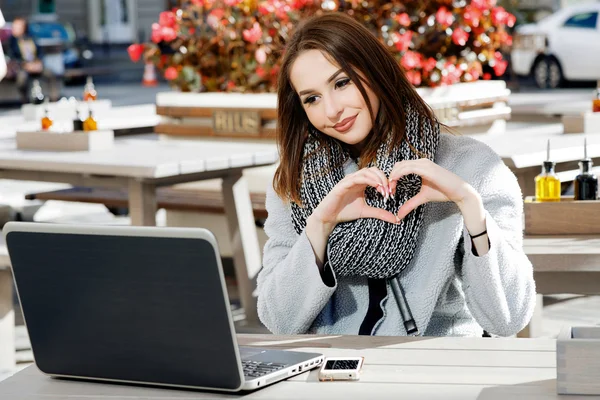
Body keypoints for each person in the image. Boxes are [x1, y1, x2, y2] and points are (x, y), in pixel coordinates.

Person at [256, 13, 536, 337]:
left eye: (342, 82)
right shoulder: (295, 182)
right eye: (312, 98)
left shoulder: (468, 165)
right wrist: (319, 226)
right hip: (330, 368)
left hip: (431, 371)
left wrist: (469, 204)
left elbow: (509, 318)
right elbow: (277, 320)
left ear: (375, 72)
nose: (331, 110)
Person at [7, 16, 59, 102]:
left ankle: (54, 100)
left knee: (51, 74)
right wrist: (25, 65)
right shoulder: (12, 41)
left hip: (35, 65)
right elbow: (12, 56)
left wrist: (38, 63)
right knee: (22, 78)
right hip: (22, 67)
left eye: (17, 26)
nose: (14, 29)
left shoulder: (31, 37)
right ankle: (25, 101)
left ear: (24, 27)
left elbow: (40, 52)